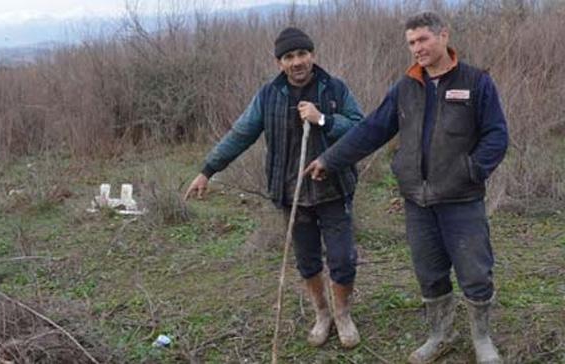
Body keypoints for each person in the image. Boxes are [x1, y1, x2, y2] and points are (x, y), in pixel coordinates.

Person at [304, 11, 507, 364]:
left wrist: (471, 170)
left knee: (475, 271)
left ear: (444, 36)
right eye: (411, 43)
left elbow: (496, 136)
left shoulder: (476, 83)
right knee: (429, 273)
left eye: (423, 39)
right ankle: (441, 334)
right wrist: (329, 159)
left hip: (461, 198)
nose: (417, 48)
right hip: (417, 202)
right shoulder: (405, 88)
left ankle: (482, 338)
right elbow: (371, 130)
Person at [184, 27, 365, 348]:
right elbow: (241, 134)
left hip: (334, 190)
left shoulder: (334, 88)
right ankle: (322, 314)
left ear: (312, 55)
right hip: (291, 193)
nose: (297, 62)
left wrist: (323, 119)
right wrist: (207, 170)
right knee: (307, 260)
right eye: (288, 57)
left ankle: (343, 315)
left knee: (342, 259)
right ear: (280, 62)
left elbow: (361, 128)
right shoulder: (269, 96)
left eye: (302, 54)